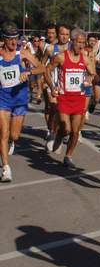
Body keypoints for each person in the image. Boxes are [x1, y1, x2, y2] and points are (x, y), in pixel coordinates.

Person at [44, 28, 95, 167]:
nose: (81, 45)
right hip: (64, 98)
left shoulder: (84, 58)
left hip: (79, 98)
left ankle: (68, 156)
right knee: (65, 127)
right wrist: (52, 86)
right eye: (79, 42)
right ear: (72, 42)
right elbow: (47, 70)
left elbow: (92, 72)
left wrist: (89, 79)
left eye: (83, 43)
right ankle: (59, 135)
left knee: (75, 131)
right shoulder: (61, 56)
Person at [0, 22, 44, 182]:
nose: (13, 43)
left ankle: (12, 141)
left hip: (19, 101)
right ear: (4, 39)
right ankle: (6, 168)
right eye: (10, 39)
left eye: (16, 39)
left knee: (14, 135)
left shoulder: (23, 53)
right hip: (3, 100)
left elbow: (42, 68)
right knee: (3, 134)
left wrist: (28, 72)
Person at [42, 24, 71, 151]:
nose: (64, 37)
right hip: (52, 84)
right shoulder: (50, 49)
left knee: (63, 113)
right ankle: (52, 133)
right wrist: (43, 81)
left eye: (66, 34)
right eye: (61, 34)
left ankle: (59, 132)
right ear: (57, 34)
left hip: (68, 86)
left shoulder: (73, 47)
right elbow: (42, 65)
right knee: (53, 108)